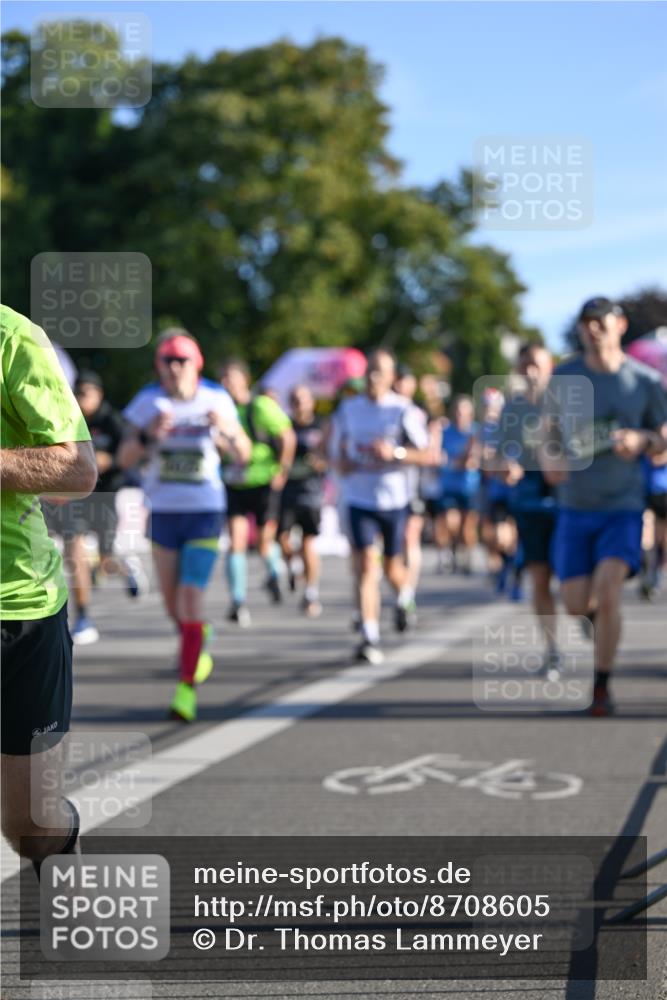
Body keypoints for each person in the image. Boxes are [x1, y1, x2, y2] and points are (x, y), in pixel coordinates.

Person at [1, 304, 97, 872]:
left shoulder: (13, 340)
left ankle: (62, 853)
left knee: (30, 826)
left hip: (21, 606)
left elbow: (77, 469)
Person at [541, 297, 667, 716]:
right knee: (577, 603)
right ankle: (595, 623)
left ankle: (601, 685)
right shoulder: (565, 376)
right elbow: (548, 434)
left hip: (623, 507)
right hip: (575, 506)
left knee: (609, 592)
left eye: (600, 321)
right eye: (585, 323)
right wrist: (551, 460)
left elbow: (663, 443)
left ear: (620, 324)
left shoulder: (645, 381)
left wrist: (642, 441)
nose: (592, 329)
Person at [118, 330, 251, 722]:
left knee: (191, 599)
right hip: (163, 512)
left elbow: (244, 453)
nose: (175, 368)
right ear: (159, 365)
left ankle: (185, 690)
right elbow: (124, 458)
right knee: (174, 608)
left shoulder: (216, 398)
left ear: (197, 365)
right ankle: (198, 637)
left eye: (183, 361)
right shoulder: (147, 401)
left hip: (205, 510)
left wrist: (227, 431)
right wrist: (147, 435)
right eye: (168, 361)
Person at [331, 348, 431, 663]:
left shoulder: (403, 410)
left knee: (390, 568)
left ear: (391, 377)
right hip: (359, 498)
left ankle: (404, 596)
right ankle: (369, 636)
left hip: (394, 499)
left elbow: (426, 454)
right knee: (364, 567)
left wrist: (395, 454)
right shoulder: (349, 409)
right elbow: (336, 451)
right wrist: (342, 463)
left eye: (381, 372)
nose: (374, 377)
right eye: (370, 371)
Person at [43, 370, 139, 645]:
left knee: (106, 561)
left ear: (99, 394)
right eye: (76, 392)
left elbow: (127, 456)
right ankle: (83, 616)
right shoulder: (66, 418)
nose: (79, 398)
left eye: (85, 393)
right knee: (74, 548)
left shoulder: (112, 420)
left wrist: (105, 461)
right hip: (76, 497)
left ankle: (125, 566)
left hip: (105, 497)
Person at [494, 344, 560, 674]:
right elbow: (494, 454)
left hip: (569, 503)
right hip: (530, 503)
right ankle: (552, 650)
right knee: (540, 579)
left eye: (537, 365)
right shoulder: (512, 409)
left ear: (550, 366)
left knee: (579, 586)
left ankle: (589, 613)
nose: (531, 372)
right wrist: (505, 464)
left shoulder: (568, 406)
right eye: (525, 366)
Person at [219, 360, 296, 627]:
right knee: (236, 542)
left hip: (263, 481)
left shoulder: (261, 406)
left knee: (265, 542)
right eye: (223, 379)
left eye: (232, 377)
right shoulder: (220, 410)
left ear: (245, 379)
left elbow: (287, 436)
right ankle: (237, 601)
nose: (227, 383)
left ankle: (275, 572)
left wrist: (282, 471)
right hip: (234, 483)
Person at [278, 385, 327, 618]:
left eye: (303, 399)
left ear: (311, 403)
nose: (299, 404)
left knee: (308, 541)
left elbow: (330, 456)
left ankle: (311, 591)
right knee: (282, 538)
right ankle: (295, 566)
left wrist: (321, 462)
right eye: (295, 400)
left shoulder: (320, 427)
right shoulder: (283, 426)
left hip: (311, 492)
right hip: (286, 491)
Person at [435, 395, 481, 574]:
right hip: (448, 485)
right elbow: (440, 458)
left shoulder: (476, 432)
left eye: (464, 413)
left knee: (468, 527)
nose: (460, 416)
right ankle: (448, 552)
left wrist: (463, 460)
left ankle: (466, 555)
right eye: (457, 412)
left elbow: (474, 461)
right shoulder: (445, 432)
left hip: (470, 486)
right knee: (449, 521)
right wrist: (458, 461)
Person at [639, 453, 667, 599]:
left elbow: (658, 458)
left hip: (664, 490)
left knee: (662, 539)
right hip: (646, 490)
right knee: (646, 535)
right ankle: (647, 573)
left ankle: (655, 573)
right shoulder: (643, 429)